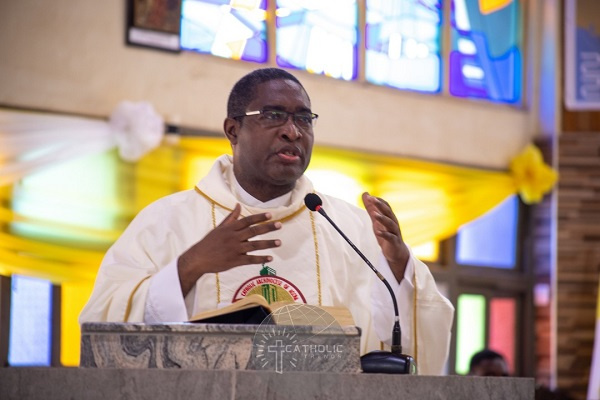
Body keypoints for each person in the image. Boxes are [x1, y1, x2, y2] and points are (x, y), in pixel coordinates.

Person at [79, 67, 454, 375]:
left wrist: (401, 270)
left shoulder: (351, 228)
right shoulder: (167, 221)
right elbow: (101, 324)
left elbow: (408, 338)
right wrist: (189, 267)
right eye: (274, 115)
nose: (293, 130)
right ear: (233, 130)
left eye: (303, 118)